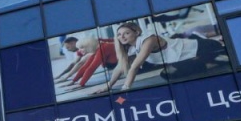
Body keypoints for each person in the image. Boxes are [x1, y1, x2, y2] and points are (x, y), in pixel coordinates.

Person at [93, 20, 226, 93]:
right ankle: (208, 64)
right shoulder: (132, 48)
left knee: (222, 52)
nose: (122, 37)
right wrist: (108, 86)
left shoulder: (149, 40)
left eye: (126, 33)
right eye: (119, 34)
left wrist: (125, 88)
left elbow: (134, 66)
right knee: (167, 74)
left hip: (203, 48)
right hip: (185, 58)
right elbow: (120, 67)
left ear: (136, 32)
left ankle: (214, 59)